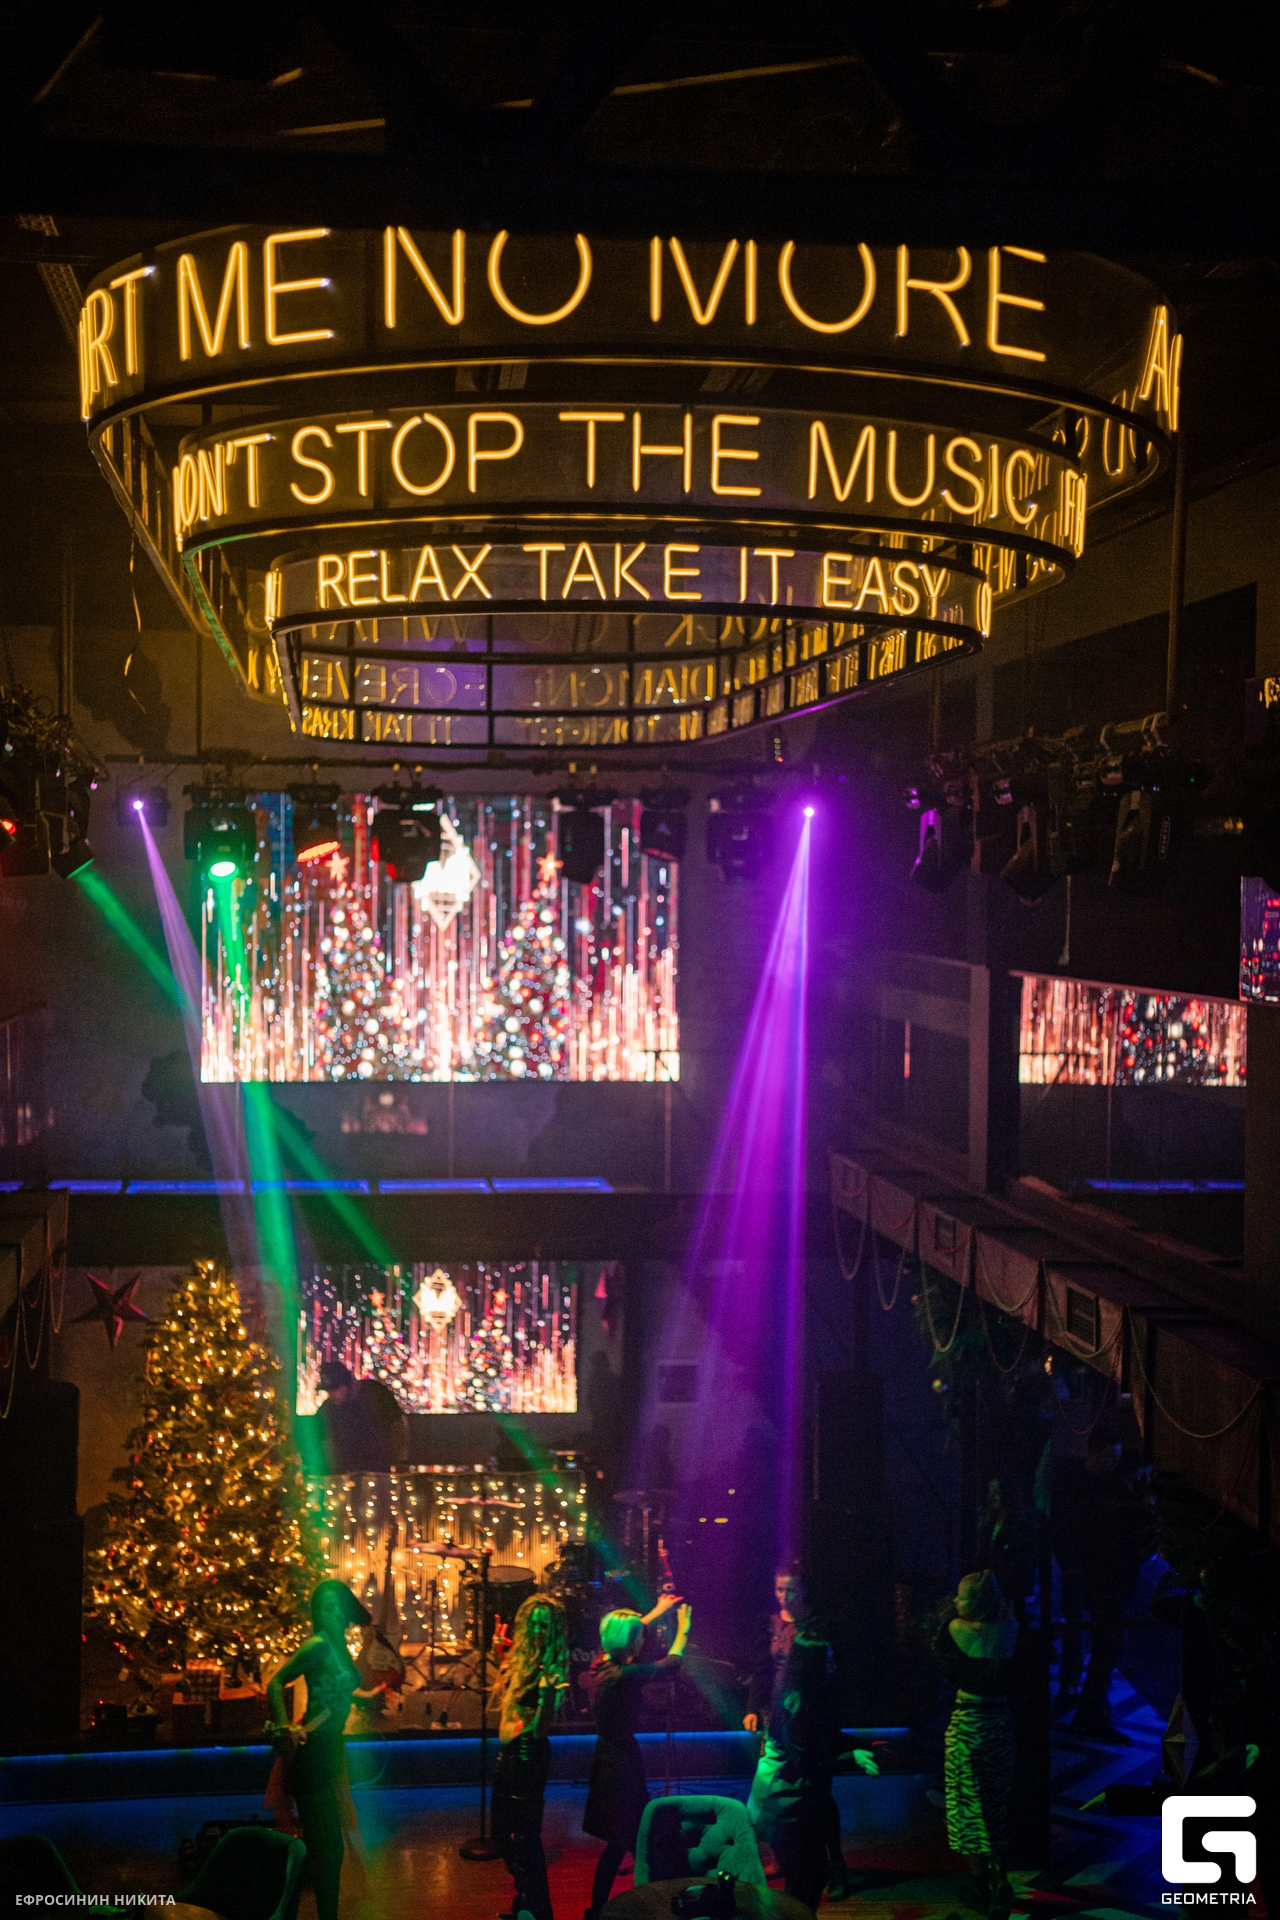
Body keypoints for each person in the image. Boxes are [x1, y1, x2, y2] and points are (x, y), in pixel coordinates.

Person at [265, 1579, 373, 1920]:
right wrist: (283, 1727)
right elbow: (275, 1682)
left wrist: (364, 1699)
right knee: (330, 1851)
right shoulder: (318, 1646)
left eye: (339, 1605)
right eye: (328, 1607)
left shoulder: (340, 1646)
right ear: (317, 1614)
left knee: (326, 1850)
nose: (336, 1612)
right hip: (313, 1754)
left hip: (331, 1749)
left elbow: (334, 1691)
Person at [745, 1561, 852, 1900]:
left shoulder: (820, 1625)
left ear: (805, 1589)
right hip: (778, 1719)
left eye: (791, 1589)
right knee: (778, 1791)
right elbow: (762, 1670)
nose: (784, 1595)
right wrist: (753, 1707)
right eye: (779, 1588)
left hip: (811, 1718)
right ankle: (783, 1857)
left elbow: (834, 1676)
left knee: (817, 1793)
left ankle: (835, 1863)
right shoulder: (772, 1622)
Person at [583, 1596, 691, 1919]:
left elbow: (625, 1633)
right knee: (636, 1838)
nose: (644, 1640)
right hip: (622, 1767)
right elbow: (671, 1663)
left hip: (609, 1760)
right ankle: (663, 1900)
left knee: (626, 1841)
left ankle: (597, 1910)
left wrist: (658, 1611)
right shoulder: (623, 1676)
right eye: (639, 1637)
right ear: (630, 1643)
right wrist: (684, 1628)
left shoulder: (602, 1663)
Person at [1052, 1431, 1156, 1741]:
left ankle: (1088, 1708)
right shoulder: (1116, 1496)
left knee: (1104, 1645)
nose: (1113, 1463)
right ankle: (1091, 1712)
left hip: (1098, 1577)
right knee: (1107, 1647)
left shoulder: (1107, 1490)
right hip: (1105, 1579)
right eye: (1110, 1457)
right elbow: (1129, 1542)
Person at [933, 1570, 1019, 1920]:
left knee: (967, 1807)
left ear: (977, 1602)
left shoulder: (955, 1628)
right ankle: (1001, 1878)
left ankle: (980, 1885)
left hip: (968, 1723)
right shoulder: (1012, 1630)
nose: (956, 1601)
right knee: (997, 1802)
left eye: (962, 1596)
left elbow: (945, 1668)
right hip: (1001, 1722)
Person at [490, 1592, 570, 1920]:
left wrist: (546, 1700)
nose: (537, 1630)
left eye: (544, 1625)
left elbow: (540, 1730)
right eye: (533, 1623)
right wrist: (499, 1650)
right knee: (501, 1834)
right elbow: (509, 1687)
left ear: (553, 1630)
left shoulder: (551, 1667)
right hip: (508, 1753)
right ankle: (525, 1899)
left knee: (525, 1839)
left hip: (528, 1754)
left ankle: (537, 1910)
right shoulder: (521, 1656)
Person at [317, 1359, 401, 1474]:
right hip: (345, 1471)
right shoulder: (328, 1408)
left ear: (347, 1384)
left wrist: (395, 1458)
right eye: (328, 1391)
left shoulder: (376, 1394)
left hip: (377, 1468)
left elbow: (397, 1426)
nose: (331, 1395)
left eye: (335, 1389)